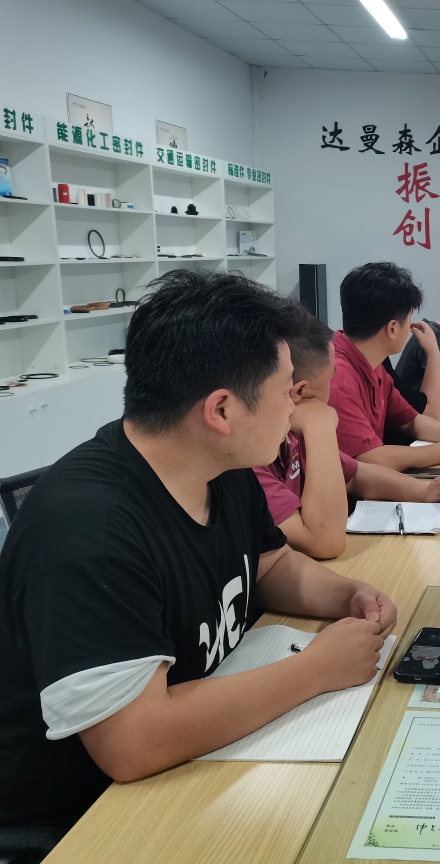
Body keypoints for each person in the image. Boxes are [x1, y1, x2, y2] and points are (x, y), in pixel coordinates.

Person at [0, 270, 396, 837]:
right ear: (222, 411)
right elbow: (134, 742)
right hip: (82, 822)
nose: (296, 406)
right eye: (286, 390)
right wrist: (316, 669)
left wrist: (349, 594)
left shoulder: (223, 466)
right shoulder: (88, 530)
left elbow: (271, 564)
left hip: (202, 759)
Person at [255, 308, 440, 560]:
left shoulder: (293, 433)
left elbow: (356, 474)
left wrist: (424, 492)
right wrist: (319, 427)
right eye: (330, 379)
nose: (333, 388)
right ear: (300, 392)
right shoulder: (254, 457)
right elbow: (326, 542)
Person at [329, 263, 440, 470]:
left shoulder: (375, 365)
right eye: (408, 319)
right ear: (392, 328)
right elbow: (369, 459)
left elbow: (411, 420)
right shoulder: (339, 378)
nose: (410, 326)